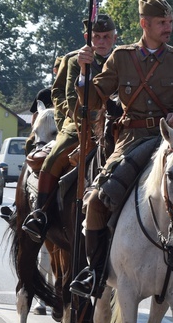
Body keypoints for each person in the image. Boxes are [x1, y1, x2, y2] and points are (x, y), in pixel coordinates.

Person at [69, 0, 173, 299]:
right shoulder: (121, 57)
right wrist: (84, 72)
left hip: (172, 143)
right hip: (131, 141)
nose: (168, 28)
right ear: (144, 23)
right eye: (162, 22)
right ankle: (94, 272)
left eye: (170, 22)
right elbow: (93, 100)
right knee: (95, 201)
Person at [22, 14, 118, 242]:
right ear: (88, 37)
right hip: (78, 126)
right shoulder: (75, 60)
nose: (102, 41)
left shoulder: (123, 59)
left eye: (106, 36)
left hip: (114, 126)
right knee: (53, 159)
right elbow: (68, 97)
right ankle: (40, 214)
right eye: (97, 36)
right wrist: (91, 118)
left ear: (114, 37)